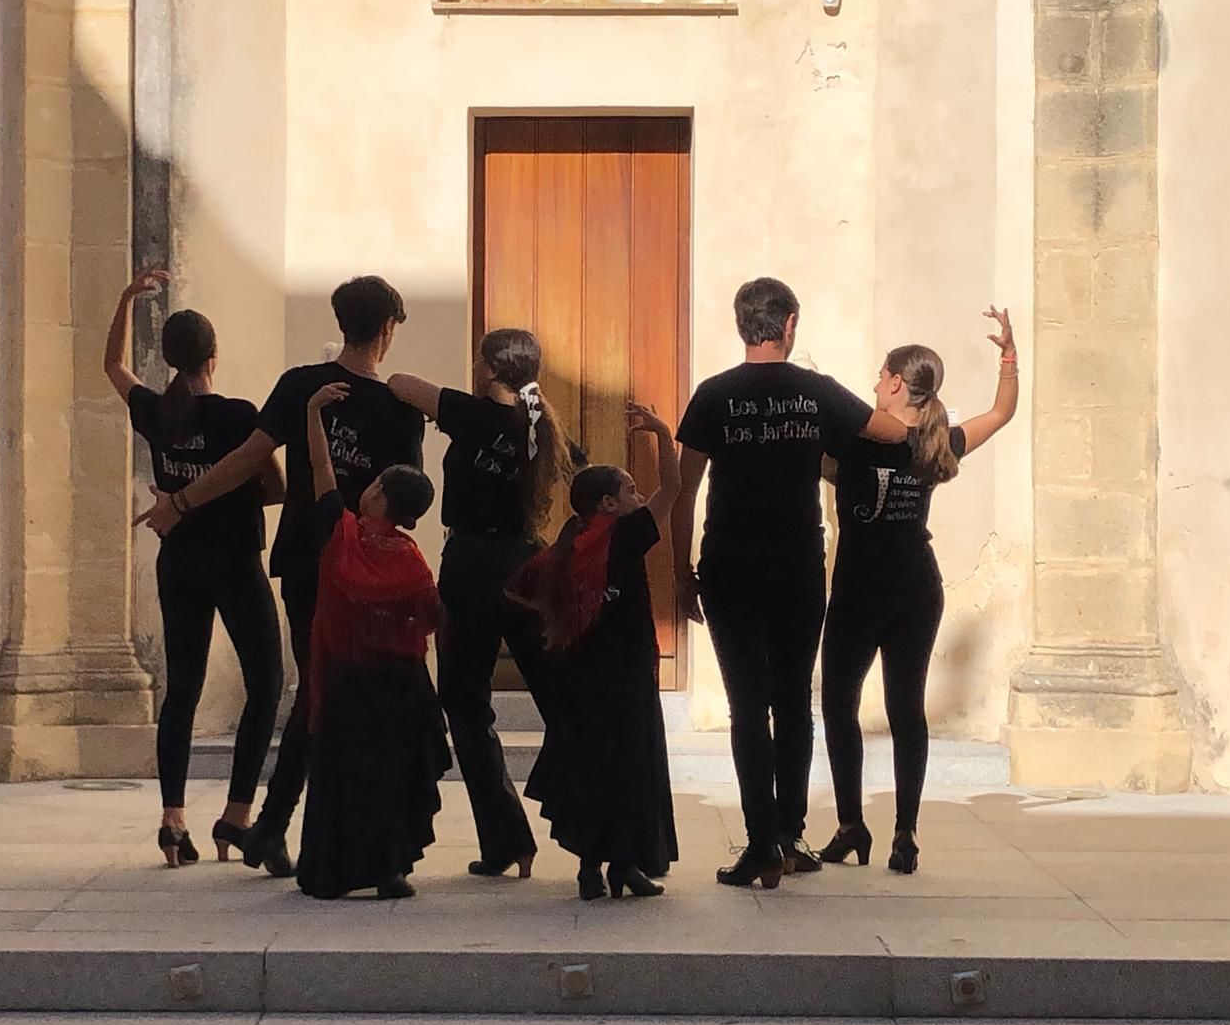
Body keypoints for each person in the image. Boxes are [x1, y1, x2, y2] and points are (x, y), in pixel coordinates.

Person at [136, 276, 426, 876]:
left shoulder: (301, 385)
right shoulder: (399, 408)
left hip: (303, 560)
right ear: (387, 329)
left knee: (316, 691)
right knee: (331, 695)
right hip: (362, 571)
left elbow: (247, 459)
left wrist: (180, 502)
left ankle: (271, 825)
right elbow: (406, 501)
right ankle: (282, 826)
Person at [672, 277, 907, 890]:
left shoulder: (713, 395)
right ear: (790, 324)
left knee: (747, 707)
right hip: (797, 568)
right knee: (794, 702)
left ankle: (760, 845)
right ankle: (791, 836)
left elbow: (683, 494)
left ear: (740, 323)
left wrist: (679, 573)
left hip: (729, 567)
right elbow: (889, 433)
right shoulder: (815, 391)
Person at [818, 307, 1019, 875]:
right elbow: (1001, 413)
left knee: (838, 702)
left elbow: (815, 453)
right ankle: (905, 833)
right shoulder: (939, 441)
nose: (874, 384)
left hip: (861, 586)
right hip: (916, 585)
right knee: (906, 707)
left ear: (895, 384)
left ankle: (851, 825)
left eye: (881, 376)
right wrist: (1008, 356)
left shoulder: (857, 441)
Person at [104, 267, 285, 867]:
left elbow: (113, 367)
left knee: (182, 689)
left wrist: (127, 299)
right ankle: (236, 814)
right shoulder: (237, 415)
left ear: (169, 359)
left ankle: (172, 819)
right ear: (214, 356)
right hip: (234, 561)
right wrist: (223, 491)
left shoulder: (157, 412)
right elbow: (275, 486)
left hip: (179, 561)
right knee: (265, 684)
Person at [386, 329, 574, 880]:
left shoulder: (472, 415)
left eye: (478, 361)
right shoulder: (540, 426)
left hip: (471, 565)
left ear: (490, 369)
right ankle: (598, 825)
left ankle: (506, 838)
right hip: (527, 564)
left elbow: (400, 383)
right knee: (561, 700)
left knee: (466, 703)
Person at [511, 403, 681, 901]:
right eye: (630, 490)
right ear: (607, 503)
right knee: (630, 768)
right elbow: (672, 489)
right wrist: (662, 435)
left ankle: (592, 868)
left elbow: (521, 591)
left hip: (582, 678)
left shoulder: (566, 548)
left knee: (592, 768)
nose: (639, 497)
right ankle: (624, 865)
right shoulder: (626, 534)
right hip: (627, 676)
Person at [292, 380, 448, 900]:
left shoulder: (341, 535)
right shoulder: (412, 561)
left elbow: (320, 470)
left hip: (345, 681)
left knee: (343, 776)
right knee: (392, 779)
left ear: (377, 496)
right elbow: (432, 616)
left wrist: (313, 412)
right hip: (401, 688)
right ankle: (390, 869)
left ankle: (331, 871)